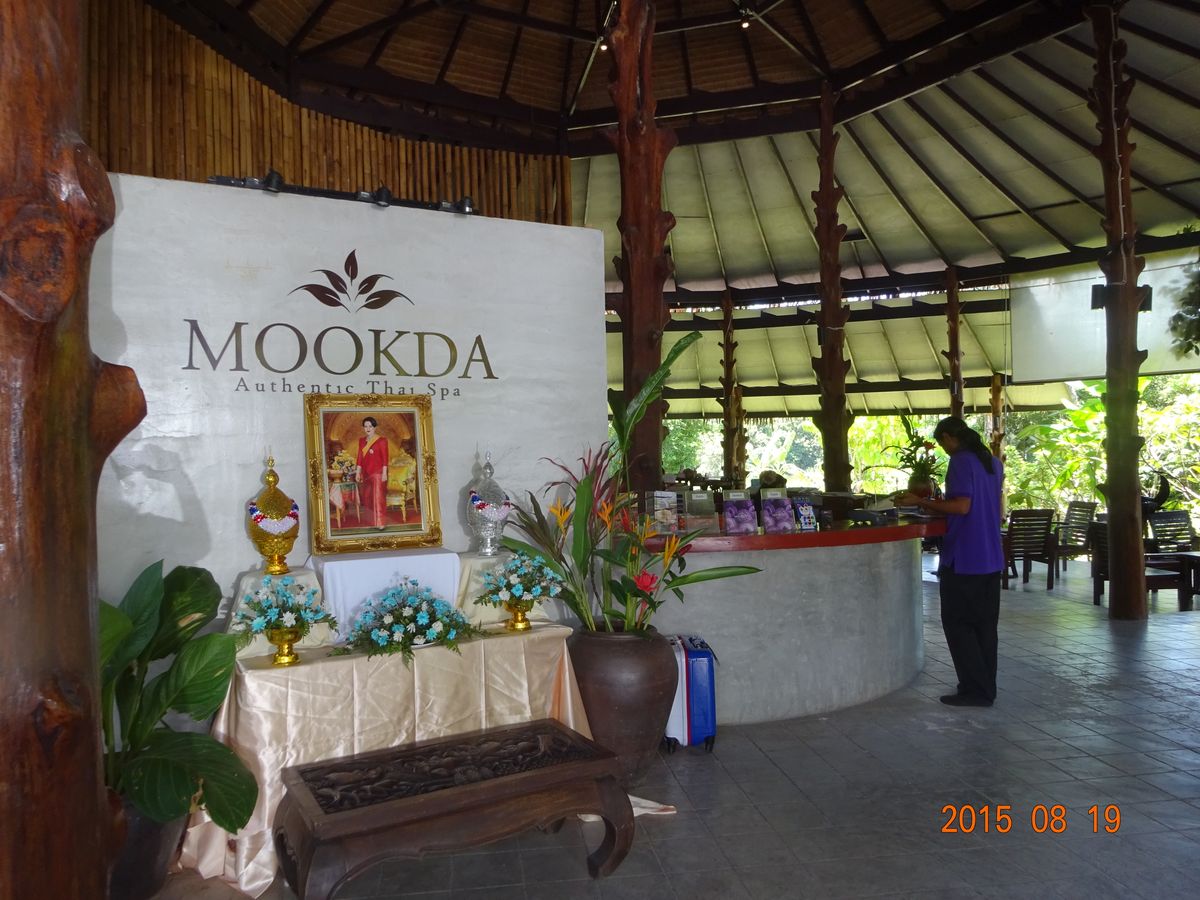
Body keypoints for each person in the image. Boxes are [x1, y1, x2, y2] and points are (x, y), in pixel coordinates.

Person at [897, 416, 1004, 708]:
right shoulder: (993, 463)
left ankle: (974, 691)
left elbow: (962, 506)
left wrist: (920, 502)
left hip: (965, 557)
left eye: (942, 443)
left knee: (959, 625)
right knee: (985, 628)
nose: (943, 449)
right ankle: (985, 688)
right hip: (991, 557)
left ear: (947, 437)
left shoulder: (960, 461)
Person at [355, 416, 389, 530]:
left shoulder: (382, 440)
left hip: (378, 473)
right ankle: (371, 521)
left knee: (378, 499)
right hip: (366, 473)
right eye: (365, 426)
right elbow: (359, 458)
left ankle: (380, 522)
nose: (368, 428)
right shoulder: (361, 441)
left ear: (375, 427)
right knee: (368, 498)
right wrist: (358, 472)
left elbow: (385, 458)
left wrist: (384, 473)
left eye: (370, 426)